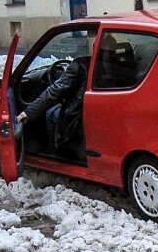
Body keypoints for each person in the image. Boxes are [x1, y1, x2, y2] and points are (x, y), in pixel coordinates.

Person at [16, 31, 99, 159]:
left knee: (51, 113)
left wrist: (29, 112)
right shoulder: (117, 64)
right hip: (92, 110)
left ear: (95, 48)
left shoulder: (81, 65)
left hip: (77, 115)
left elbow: (54, 91)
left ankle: (57, 152)